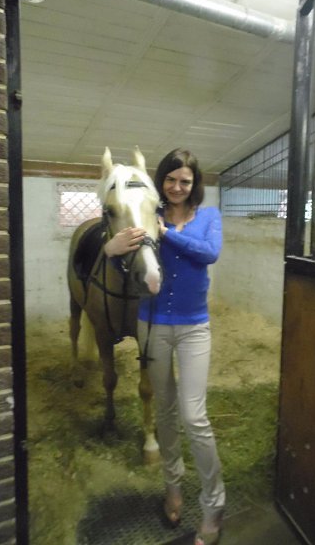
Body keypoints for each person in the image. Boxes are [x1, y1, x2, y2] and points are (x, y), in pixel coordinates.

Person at [105, 148, 225, 545]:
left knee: (194, 417)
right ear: (162, 182)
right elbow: (126, 258)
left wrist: (167, 233)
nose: (176, 186)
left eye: (184, 180)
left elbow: (210, 253)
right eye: (170, 179)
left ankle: (214, 504)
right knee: (165, 412)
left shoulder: (208, 217)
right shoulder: (146, 213)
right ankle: (173, 486)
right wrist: (111, 250)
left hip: (193, 328)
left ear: (194, 184)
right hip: (152, 324)